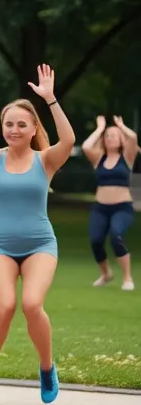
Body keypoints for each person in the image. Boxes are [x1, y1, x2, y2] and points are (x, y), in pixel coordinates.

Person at [0, 65, 75, 405]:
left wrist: (51, 98)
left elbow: (68, 139)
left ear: (32, 128)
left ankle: (46, 368)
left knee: (32, 304)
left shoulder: (47, 160)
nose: (14, 129)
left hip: (40, 243)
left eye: (21, 124)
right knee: (6, 305)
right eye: (8, 124)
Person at [81, 114, 137, 291]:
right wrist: (99, 128)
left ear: (121, 139)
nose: (109, 137)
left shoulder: (127, 157)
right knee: (96, 241)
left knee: (116, 236)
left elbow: (133, 138)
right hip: (101, 208)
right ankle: (106, 274)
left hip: (122, 207)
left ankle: (127, 278)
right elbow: (86, 146)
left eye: (113, 135)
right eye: (107, 135)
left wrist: (121, 126)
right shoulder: (99, 158)